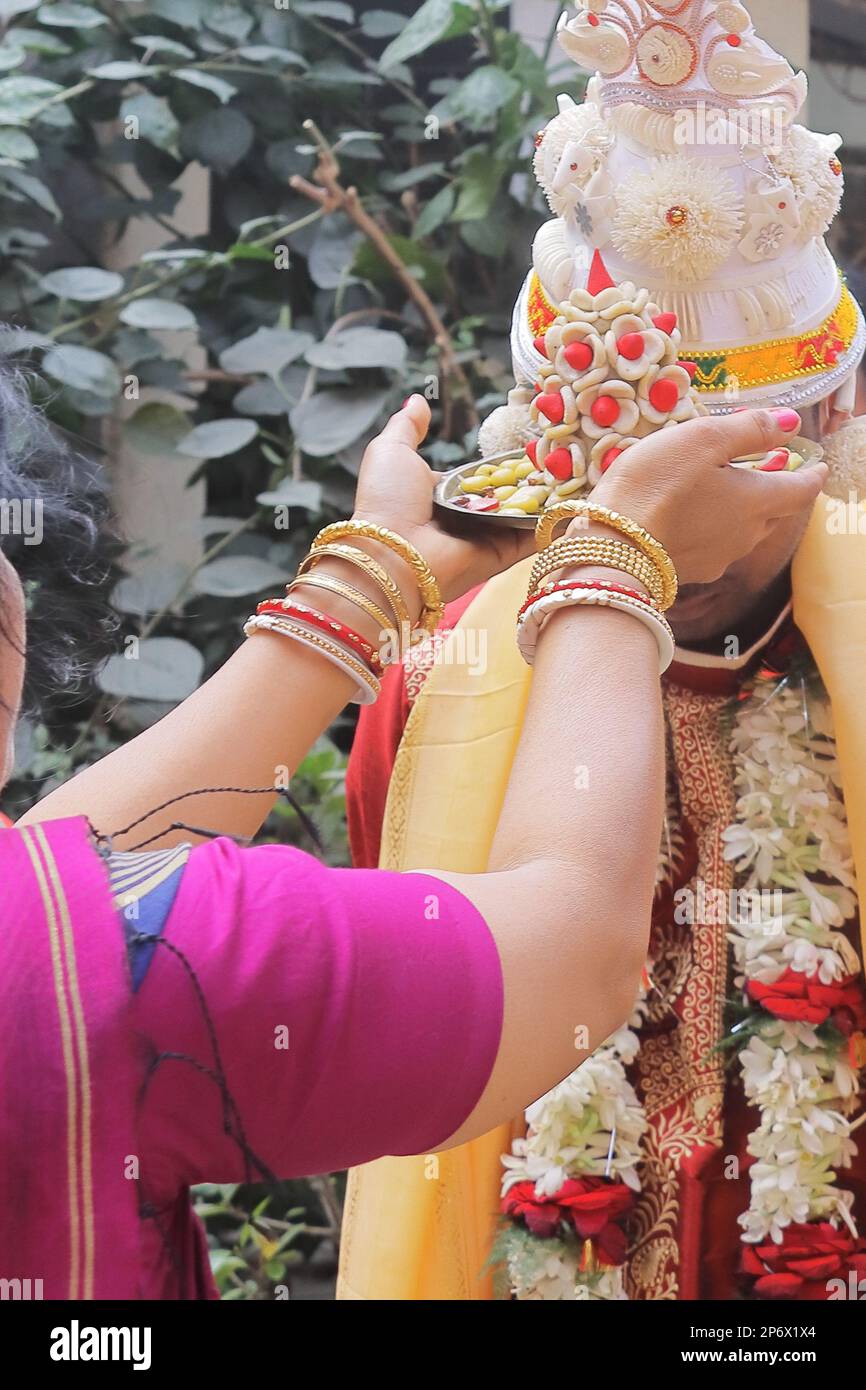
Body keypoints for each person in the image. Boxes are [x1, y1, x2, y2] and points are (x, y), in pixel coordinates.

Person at [3, 363, 816, 1296]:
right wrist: (616, 554)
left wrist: (380, 571)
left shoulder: (54, 947)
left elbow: (67, 885)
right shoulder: (154, 958)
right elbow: (576, 956)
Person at [336, 2, 866, 1301]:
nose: (675, 534)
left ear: (828, 430)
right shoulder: (439, 684)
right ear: (550, 446)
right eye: (636, 486)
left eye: (725, 472)